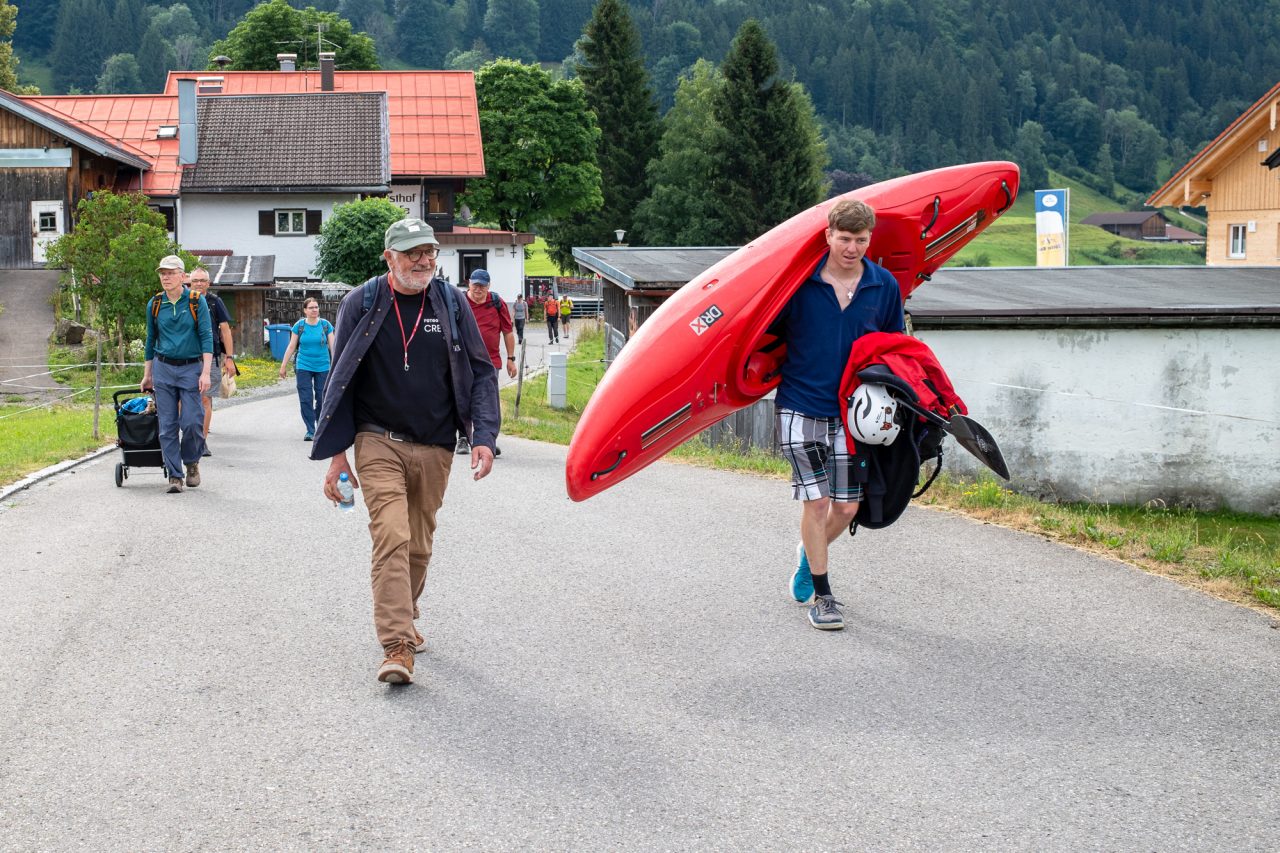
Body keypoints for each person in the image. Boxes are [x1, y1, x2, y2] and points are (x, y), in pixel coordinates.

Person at [311, 217, 499, 685]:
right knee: (391, 535)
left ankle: (407, 610)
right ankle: (396, 644)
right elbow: (340, 380)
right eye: (412, 252)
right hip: (378, 441)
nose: (423, 260)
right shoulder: (363, 302)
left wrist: (483, 436)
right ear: (389, 256)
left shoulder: (452, 303)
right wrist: (337, 455)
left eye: (429, 251)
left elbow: (480, 371)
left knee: (418, 544)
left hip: (435, 443)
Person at [772, 199, 905, 631]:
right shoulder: (798, 284)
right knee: (818, 500)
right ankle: (824, 597)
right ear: (828, 235)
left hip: (852, 413)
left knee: (847, 508)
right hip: (800, 405)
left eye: (860, 240)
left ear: (870, 239)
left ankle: (808, 557)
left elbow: (892, 348)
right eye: (844, 239)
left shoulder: (883, 286)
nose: (851, 248)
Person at [141, 254, 213, 494]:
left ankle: (191, 461)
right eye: (162, 273)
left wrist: (205, 373)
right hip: (163, 368)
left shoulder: (195, 301)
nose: (166, 277)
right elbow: (151, 340)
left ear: (183, 276)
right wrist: (147, 374)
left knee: (192, 422)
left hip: (191, 368)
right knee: (167, 426)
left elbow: (206, 336)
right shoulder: (155, 304)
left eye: (171, 273)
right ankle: (175, 475)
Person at [457, 268, 515, 457]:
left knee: (488, 401)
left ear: (488, 286)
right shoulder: (460, 302)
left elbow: (507, 332)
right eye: (475, 285)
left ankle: (487, 440)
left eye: (482, 286)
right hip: (463, 361)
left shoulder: (497, 303)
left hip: (490, 362)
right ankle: (464, 438)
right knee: (463, 399)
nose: (478, 289)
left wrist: (511, 359)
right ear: (469, 284)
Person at [187, 267, 236, 455]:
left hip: (211, 356)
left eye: (202, 280)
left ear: (208, 283)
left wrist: (229, 358)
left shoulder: (215, 302)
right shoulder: (185, 300)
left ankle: (201, 441)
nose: (199, 284)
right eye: (195, 281)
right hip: (187, 357)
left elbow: (225, 330)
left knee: (205, 399)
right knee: (185, 400)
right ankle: (189, 434)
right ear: (189, 283)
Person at [278, 297, 335, 441]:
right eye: (311, 308)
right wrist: (283, 366)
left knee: (322, 398)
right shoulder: (299, 326)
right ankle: (310, 430)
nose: (314, 310)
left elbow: (333, 346)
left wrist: (336, 365)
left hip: (323, 366)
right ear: (305, 310)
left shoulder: (326, 325)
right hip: (303, 365)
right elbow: (291, 346)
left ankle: (320, 426)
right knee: (306, 398)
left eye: (316, 307)